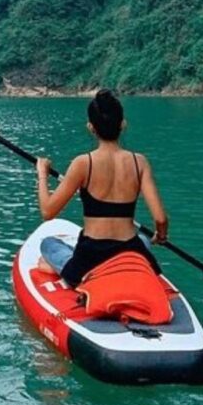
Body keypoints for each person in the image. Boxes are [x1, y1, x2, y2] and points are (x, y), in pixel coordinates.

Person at [35, 89, 169, 287]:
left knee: (48, 244)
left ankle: (63, 268)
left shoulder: (82, 163)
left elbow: (47, 212)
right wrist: (161, 234)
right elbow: (161, 219)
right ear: (123, 124)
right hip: (129, 252)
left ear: (91, 127)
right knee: (144, 240)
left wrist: (42, 174)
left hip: (91, 257)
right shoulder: (139, 162)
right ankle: (127, 270)